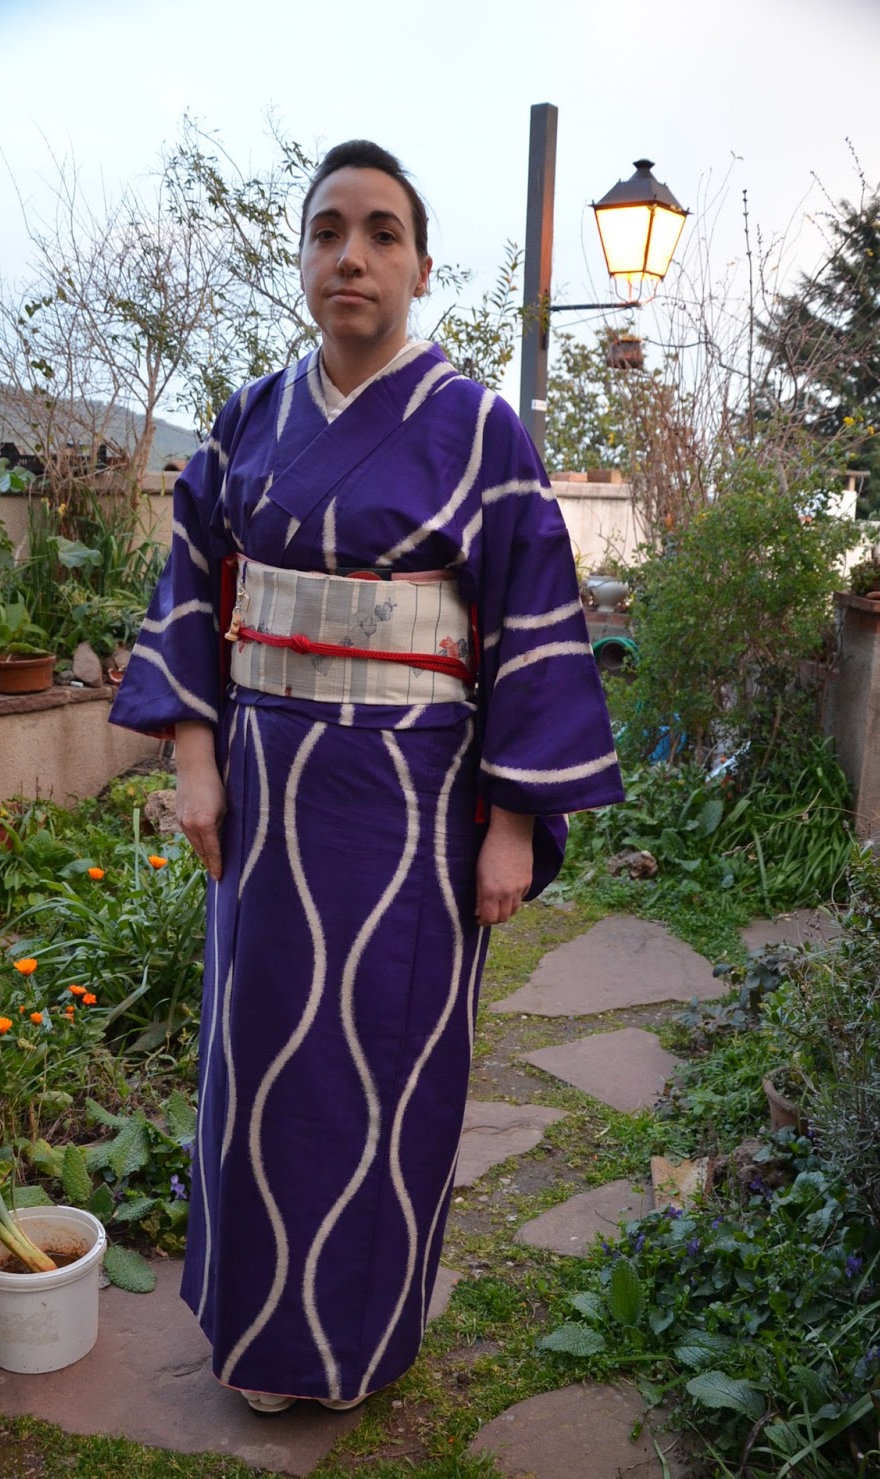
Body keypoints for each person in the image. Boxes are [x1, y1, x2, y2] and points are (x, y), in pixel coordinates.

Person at [109, 139, 623, 1414]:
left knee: (385, 1065)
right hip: (265, 791)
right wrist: (193, 757)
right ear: (301, 257)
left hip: (413, 805)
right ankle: (258, 1338)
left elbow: (534, 626)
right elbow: (191, 589)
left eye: (382, 232)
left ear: (421, 267)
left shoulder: (481, 430)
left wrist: (514, 822)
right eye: (328, 230)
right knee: (260, 1053)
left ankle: (350, 1343)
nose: (352, 255)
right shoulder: (248, 419)